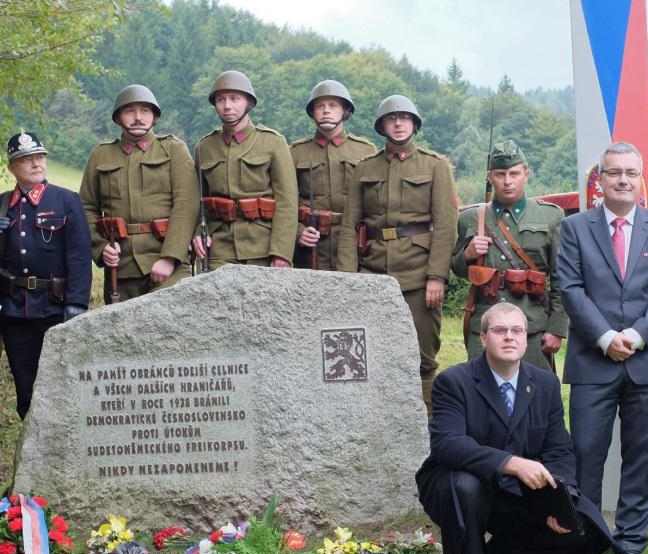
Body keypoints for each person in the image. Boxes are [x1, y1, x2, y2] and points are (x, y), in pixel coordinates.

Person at [415, 303, 612, 554]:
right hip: (458, 485)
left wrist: (559, 499)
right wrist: (510, 464)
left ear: (526, 337)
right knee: (466, 485)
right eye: (500, 330)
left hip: (516, 493)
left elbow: (558, 449)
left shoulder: (545, 383)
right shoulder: (454, 382)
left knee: (587, 521)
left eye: (517, 330)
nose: (509, 337)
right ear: (483, 338)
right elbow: (448, 444)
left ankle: (506, 553)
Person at [555, 142, 648, 554]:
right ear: (601, 180)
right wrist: (606, 337)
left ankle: (631, 541)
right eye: (614, 173)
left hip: (647, 360)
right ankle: (585, 541)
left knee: (642, 454)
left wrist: (636, 335)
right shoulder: (575, 228)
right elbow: (571, 289)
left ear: (641, 178)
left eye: (631, 173)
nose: (623, 180)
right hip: (594, 361)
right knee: (587, 452)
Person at [338, 94, 458, 404]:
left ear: (415, 125)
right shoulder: (365, 168)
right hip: (373, 274)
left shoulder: (434, 166)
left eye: (405, 118)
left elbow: (446, 226)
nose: (399, 123)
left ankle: (428, 430)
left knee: (423, 359)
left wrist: (436, 277)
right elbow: (350, 226)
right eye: (392, 119)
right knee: (369, 357)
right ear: (382, 126)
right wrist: (348, 280)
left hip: (418, 276)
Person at [0, 132, 91, 419]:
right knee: (25, 387)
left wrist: (77, 304)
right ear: (12, 167)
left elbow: (80, 256)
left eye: (39, 157)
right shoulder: (0, 203)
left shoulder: (66, 200)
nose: (35, 163)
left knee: (62, 384)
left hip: (55, 307)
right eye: (26, 159)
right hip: (15, 309)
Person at [451, 140, 568, 371]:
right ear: (490, 176)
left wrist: (556, 329)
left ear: (526, 174)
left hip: (532, 328)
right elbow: (457, 268)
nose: (507, 181)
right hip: (485, 327)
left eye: (514, 173)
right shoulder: (470, 218)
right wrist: (468, 254)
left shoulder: (551, 217)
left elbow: (562, 278)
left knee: (535, 397)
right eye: (500, 174)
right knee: (480, 395)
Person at [80, 84, 199, 299]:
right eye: (129, 111)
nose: (138, 117)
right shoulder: (101, 155)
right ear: (118, 118)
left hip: (167, 264)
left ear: (154, 117)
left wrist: (169, 258)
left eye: (145, 111)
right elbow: (86, 207)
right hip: (121, 269)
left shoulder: (173, 149)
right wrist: (101, 248)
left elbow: (186, 205)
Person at [194, 70, 298, 269]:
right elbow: (197, 203)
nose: (227, 106)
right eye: (221, 99)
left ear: (248, 102)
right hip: (219, 247)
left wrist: (281, 253)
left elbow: (287, 203)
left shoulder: (273, 142)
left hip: (263, 247)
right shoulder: (204, 147)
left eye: (235, 99)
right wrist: (198, 232)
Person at [290, 80, 375, 270]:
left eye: (333, 105)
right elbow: (285, 202)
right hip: (310, 248)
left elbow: (375, 203)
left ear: (345, 111)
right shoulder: (296, 153)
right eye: (320, 106)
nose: (326, 110)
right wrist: (298, 232)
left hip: (353, 245)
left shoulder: (365, 151)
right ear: (312, 112)